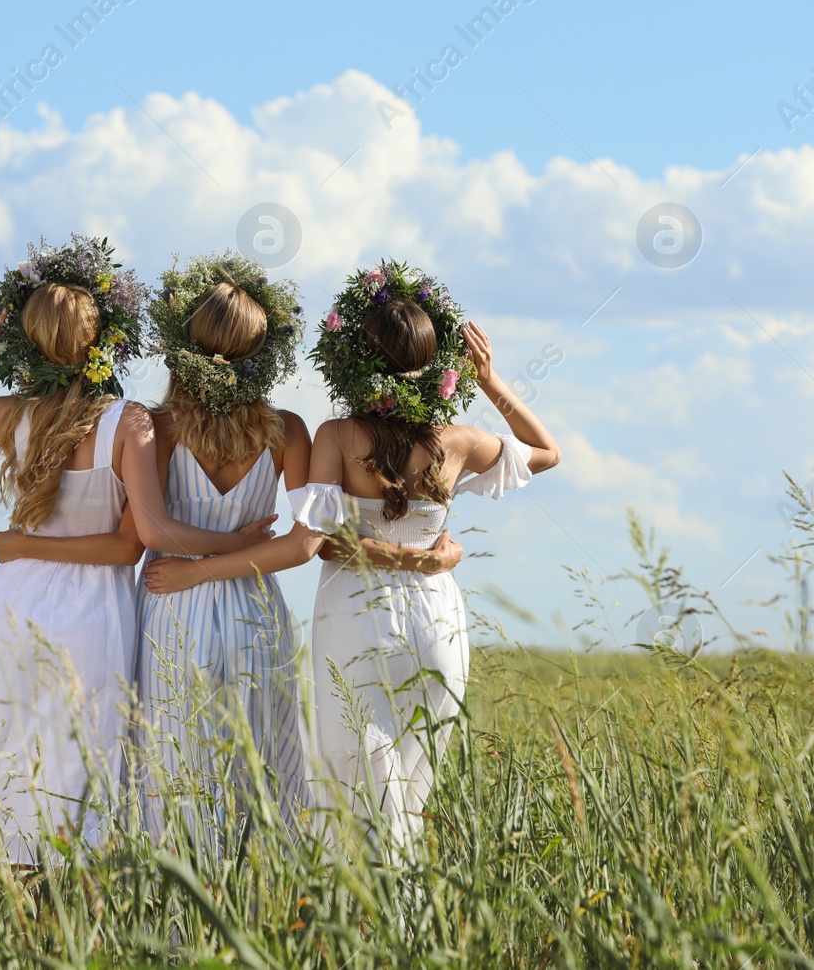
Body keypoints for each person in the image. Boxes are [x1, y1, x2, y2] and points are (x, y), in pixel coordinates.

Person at [140, 261, 559, 851]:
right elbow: (547, 451)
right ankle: (406, 921)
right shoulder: (459, 441)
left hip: (357, 616)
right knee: (414, 786)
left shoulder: (336, 436)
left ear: (352, 362)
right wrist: (488, 381)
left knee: (355, 779)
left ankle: (368, 914)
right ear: (438, 364)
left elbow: (320, 544)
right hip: (437, 617)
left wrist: (198, 568)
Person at [0, 236, 252, 865]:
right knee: (76, 759)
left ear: (29, 343)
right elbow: (131, 545)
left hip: (15, 600)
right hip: (92, 611)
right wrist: (235, 543)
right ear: (106, 339)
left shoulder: (11, 414)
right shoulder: (127, 421)